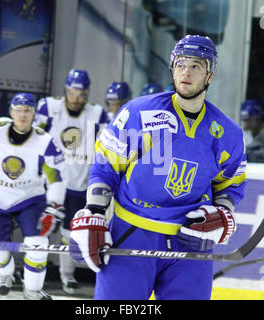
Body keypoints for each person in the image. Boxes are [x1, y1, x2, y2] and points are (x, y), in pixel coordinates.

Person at [68, 35, 247, 300]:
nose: (186, 71)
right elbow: (105, 168)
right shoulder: (138, 113)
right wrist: (94, 210)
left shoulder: (227, 133)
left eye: (196, 66)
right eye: (180, 64)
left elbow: (231, 186)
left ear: (209, 75)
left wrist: (222, 214)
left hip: (191, 243)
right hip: (131, 234)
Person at [0, 93, 66, 300]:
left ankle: (32, 289)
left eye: (28, 111)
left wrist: (53, 207)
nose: (23, 115)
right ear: (11, 112)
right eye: (19, 110)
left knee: (38, 244)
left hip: (29, 199)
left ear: (34, 115)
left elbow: (56, 179)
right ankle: (5, 274)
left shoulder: (45, 142)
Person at [34, 69, 109, 294]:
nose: (76, 98)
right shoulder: (49, 107)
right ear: (66, 90)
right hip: (51, 183)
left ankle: (67, 275)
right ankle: (35, 273)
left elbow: (106, 148)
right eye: (73, 92)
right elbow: (34, 137)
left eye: (81, 93)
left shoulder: (97, 114)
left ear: (87, 94)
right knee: (41, 229)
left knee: (69, 233)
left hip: (79, 185)